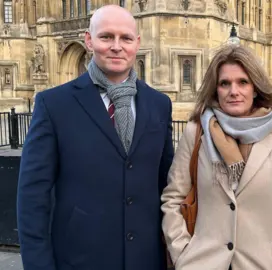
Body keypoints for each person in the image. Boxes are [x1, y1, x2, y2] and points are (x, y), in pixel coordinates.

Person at [17, 5, 174, 270]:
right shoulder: (54, 104)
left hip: (146, 260)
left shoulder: (159, 104)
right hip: (80, 260)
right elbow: (32, 197)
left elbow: (167, 183)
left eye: (125, 38)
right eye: (106, 37)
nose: (116, 46)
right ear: (88, 40)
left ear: (137, 43)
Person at [161, 45, 272, 270]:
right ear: (215, 89)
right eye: (224, 83)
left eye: (243, 82)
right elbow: (173, 198)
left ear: (256, 88)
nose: (234, 91)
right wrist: (182, 253)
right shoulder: (196, 131)